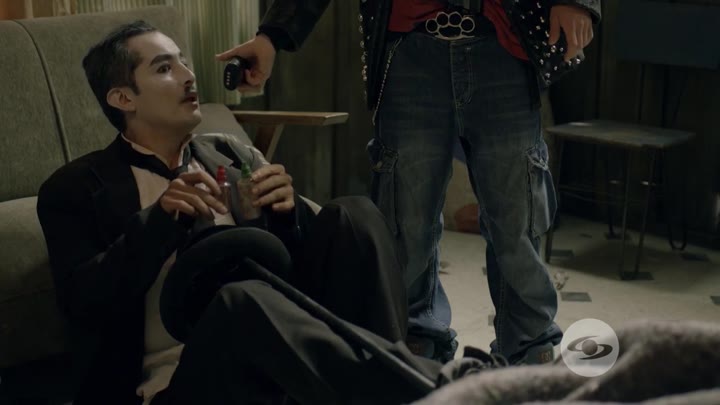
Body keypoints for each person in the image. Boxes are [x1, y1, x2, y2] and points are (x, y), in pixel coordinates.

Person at [36, 20, 470, 405]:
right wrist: (157, 224)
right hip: (174, 385)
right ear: (123, 98)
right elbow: (83, 304)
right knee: (240, 299)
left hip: (289, 371)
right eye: (165, 68)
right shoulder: (75, 188)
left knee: (354, 214)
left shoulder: (230, 153)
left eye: (184, 62)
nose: (189, 76)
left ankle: (397, 388)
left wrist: (287, 215)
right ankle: (427, 390)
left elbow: (301, 275)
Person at [217, 0, 601, 364]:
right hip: (409, 52)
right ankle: (418, 352)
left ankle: (530, 354)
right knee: (407, 224)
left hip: (505, 45)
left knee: (517, 219)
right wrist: (272, 35)